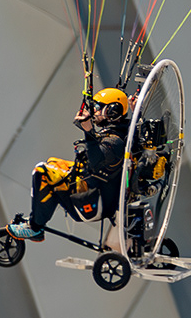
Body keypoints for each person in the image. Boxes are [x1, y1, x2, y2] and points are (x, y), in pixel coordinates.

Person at [10, 88, 130, 242]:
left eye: (98, 108)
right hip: (95, 185)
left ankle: (35, 227)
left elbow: (96, 162)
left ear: (112, 112)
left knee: (41, 171)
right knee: (53, 162)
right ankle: (39, 216)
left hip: (94, 199)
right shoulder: (121, 132)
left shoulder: (115, 142)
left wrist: (89, 131)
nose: (94, 112)